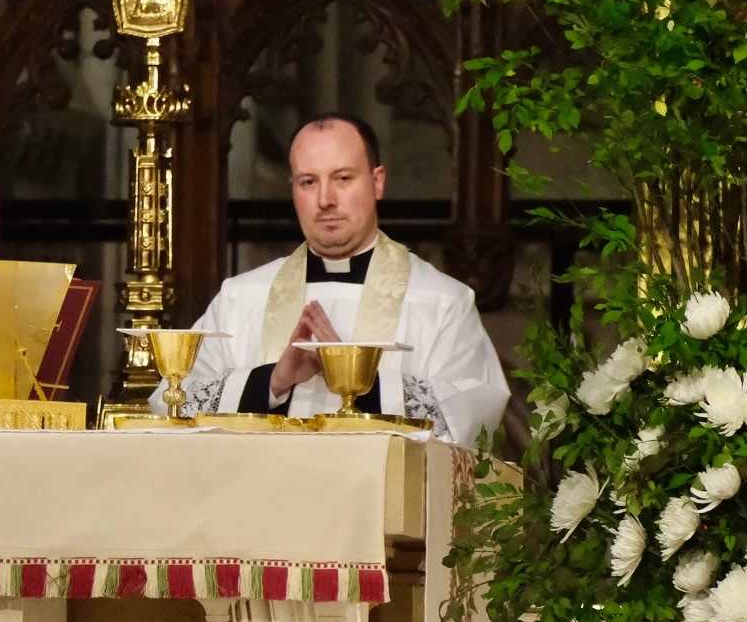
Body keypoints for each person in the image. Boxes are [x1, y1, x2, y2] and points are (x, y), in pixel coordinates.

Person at [176, 114, 509, 442]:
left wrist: (357, 380)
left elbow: (474, 412)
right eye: (308, 182)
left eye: (343, 178)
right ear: (292, 189)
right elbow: (175, 401)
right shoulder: (241, 297)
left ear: (377, 182)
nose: (325, 200)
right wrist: (273, 382)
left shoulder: (442, 301)